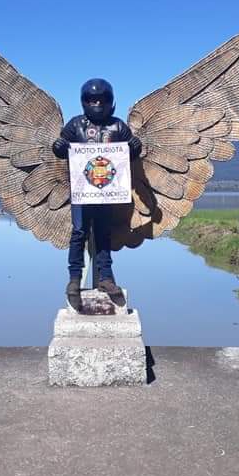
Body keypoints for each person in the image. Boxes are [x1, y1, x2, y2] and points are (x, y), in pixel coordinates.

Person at [52, 78, 142, 313]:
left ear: (110, 101)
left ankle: (106, 276)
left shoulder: (118, 126)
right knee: (79, 233)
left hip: (106, 193)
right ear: (84, 102)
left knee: (103, 233)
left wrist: (134, 146)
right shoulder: (75, 125)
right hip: (83, 192)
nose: (97, 104)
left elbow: (131, 154)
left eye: (101, 99)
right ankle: (74, 279)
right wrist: (60, 146)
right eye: (92, 100)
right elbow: (59, 148)